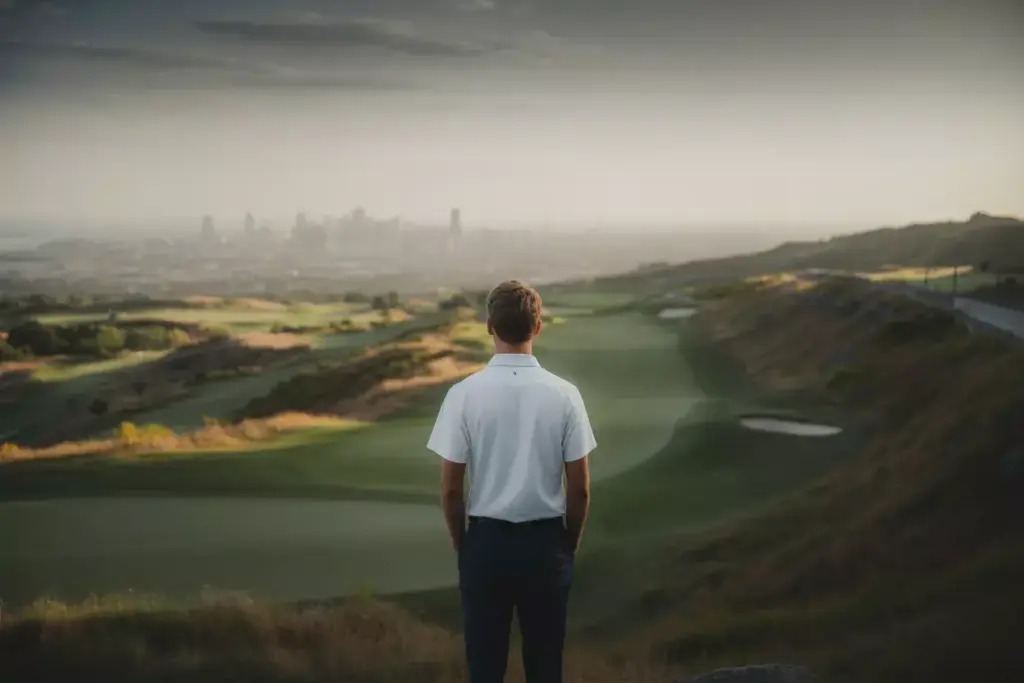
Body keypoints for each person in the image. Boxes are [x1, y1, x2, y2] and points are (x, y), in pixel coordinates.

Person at [427, 279, 596, 683]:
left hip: (486, 545)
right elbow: (579, 489)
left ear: (489, 325)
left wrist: (465, 546)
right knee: (545, 667)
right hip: (546, 543)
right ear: (537, 327)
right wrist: (567, 544)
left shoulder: (463, 394)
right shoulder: (566, 394)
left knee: (485, 669)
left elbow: (451, 491)